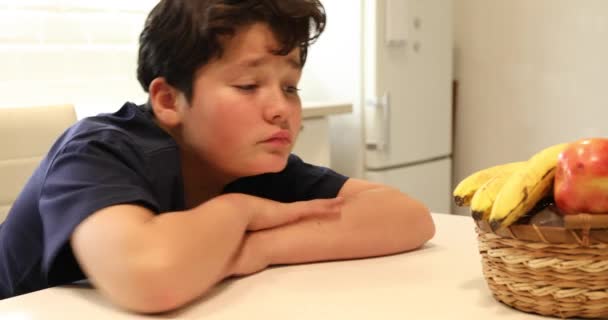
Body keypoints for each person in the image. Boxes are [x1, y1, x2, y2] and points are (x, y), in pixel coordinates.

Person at [0, 0, 435, 313]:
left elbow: (408, 217)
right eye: (249, 86)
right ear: (169, 100)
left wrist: (258, 246)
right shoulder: (100, 149)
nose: (281, 109)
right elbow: (149, 275)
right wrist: (239, 210)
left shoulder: (253, 161)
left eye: (290, 87)